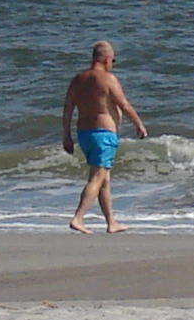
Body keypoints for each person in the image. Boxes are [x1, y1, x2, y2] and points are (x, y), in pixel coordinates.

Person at [62, 40, 147, 234]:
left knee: (104, 179)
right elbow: (124, 105)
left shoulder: (78, 79)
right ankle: (78, 218)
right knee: (97, 178)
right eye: (113, 61)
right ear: (107, 59)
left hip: (84, 134)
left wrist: (66, 135)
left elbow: (68, 108)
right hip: (104, 135)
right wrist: (139, 124)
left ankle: (111, 222)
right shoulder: (108, 79)